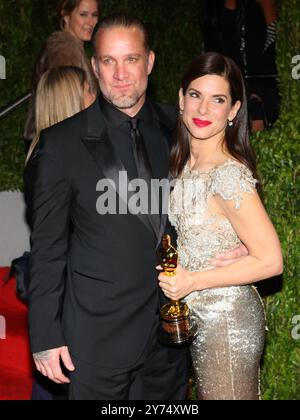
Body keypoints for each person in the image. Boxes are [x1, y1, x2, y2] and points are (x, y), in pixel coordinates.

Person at [26, 14, 248, 400]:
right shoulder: (61, 144)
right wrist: (45, 335)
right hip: (97, 341)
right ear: (94, 67)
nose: (120, 74)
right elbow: (47, 249)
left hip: (169, 337)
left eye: (131, 59)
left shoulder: (181, 128)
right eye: (108, 61)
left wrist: (238, 241)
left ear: (149, 62)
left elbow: (219, 188)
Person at [158, 52, 283, 400]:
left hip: (226, 317)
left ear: (232, 111)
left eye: (218, 100)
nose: (202, 110)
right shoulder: (185, 161)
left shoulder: (227, 174)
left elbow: (272, 260)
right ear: (181, 99)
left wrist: (193, 280)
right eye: (196, 95)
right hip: (199, 314)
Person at [24, 65, 95, 400]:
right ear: (73, 99)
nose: (95, 97)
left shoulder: (39, 155)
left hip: (61, 288)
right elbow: (53, 242)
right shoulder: (54, 161)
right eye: (89, 90)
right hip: (66, 291)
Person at [24, 0, 100, 143]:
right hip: (62, 139)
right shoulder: (63, 50)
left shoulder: (73, 48)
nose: (91, 21)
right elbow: (65, 105)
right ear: (66, 15)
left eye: (94, 15)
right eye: (83, 14)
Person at [200, 0, 279, 132]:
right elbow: (210, 57)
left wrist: (255, 98)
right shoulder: (211, 13)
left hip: (262, 92)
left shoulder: (256, 7)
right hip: (228, 94)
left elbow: (276, 45)